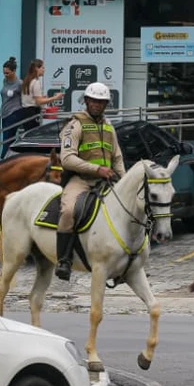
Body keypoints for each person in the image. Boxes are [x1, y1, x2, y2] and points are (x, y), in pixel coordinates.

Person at [55, 82, 124, 281]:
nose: (97, 105)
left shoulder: (109, 127)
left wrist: (124, 181)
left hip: (107, 181)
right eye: (93, 101)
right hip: (81, 180)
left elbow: (117, 158)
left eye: (101, 102)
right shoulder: (74, 125)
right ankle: (64, 260)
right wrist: (96, 169)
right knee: (68, 211)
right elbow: (67, 158)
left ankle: (123, 261)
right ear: (86, 101)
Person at [20, 58, 63, 133]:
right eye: (42, 68)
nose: (44, 70)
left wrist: (41, 98)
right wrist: (55, 97)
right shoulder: (35, 82)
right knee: (33, 135)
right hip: (32, 113)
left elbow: (31, 98)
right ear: (37, 68)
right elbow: (39, 102)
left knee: (28, 135)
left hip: (25, 112)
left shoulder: (27, 80)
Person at [0, 57, 26, 159]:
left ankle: (3, 158)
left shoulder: (19, 84)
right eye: (4, 73)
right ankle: (7, 158)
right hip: (5, 113)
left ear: (14, 71)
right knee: (5, 137)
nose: (6, 75)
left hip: (14, 112)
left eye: (8, 73)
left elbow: (25, 99)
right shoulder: (5, 81)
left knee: (8, 138)